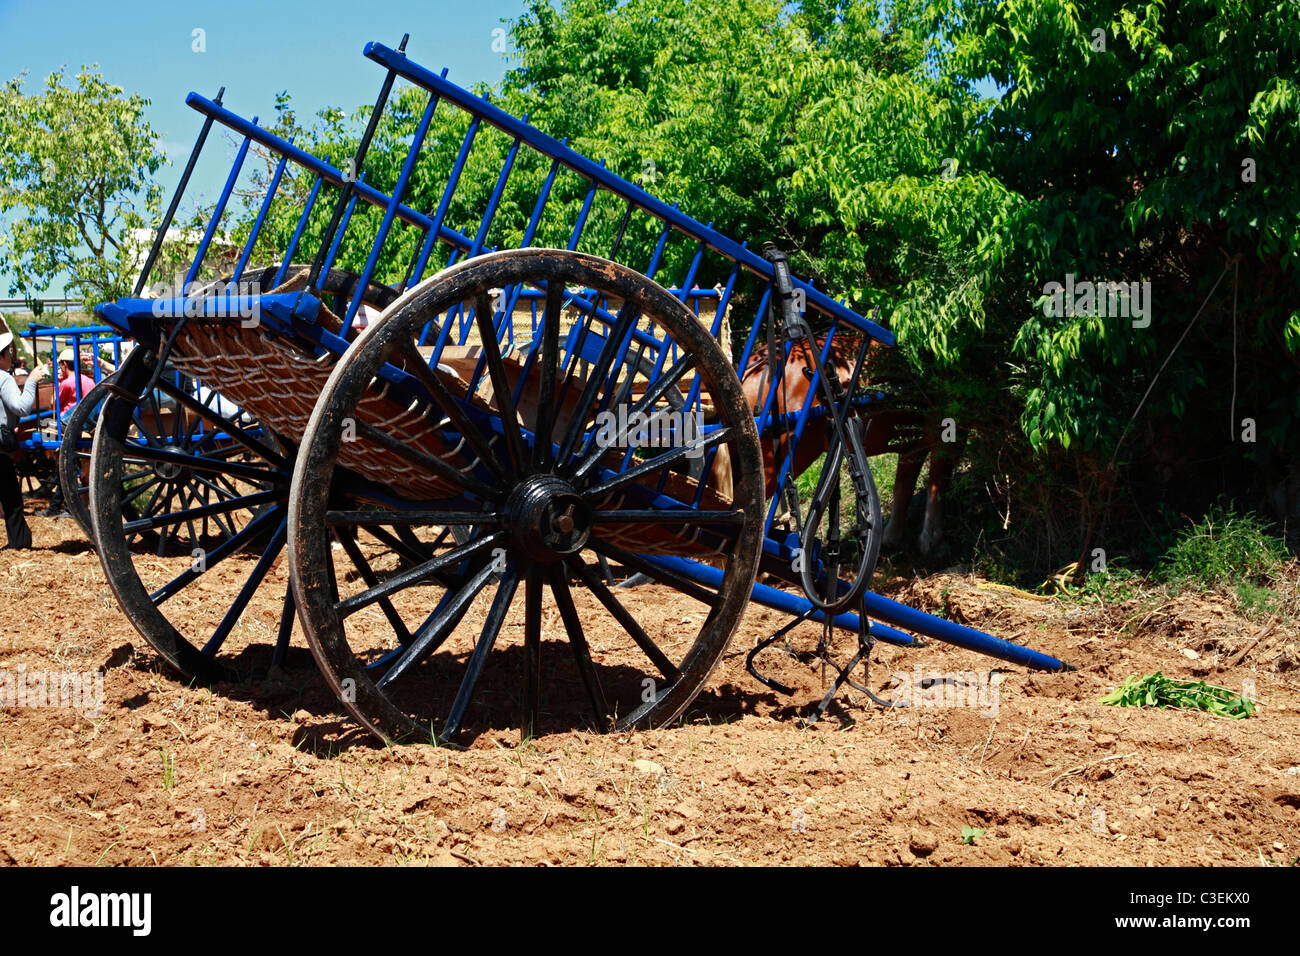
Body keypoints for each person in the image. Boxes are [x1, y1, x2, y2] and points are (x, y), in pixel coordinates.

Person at [0, 331, 48, 548]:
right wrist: (31, 382)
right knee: (11, 499)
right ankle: (19, 544)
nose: (11, 356)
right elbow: (21, 406)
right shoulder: (3, 378)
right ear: (1, 357)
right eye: (9, 352)